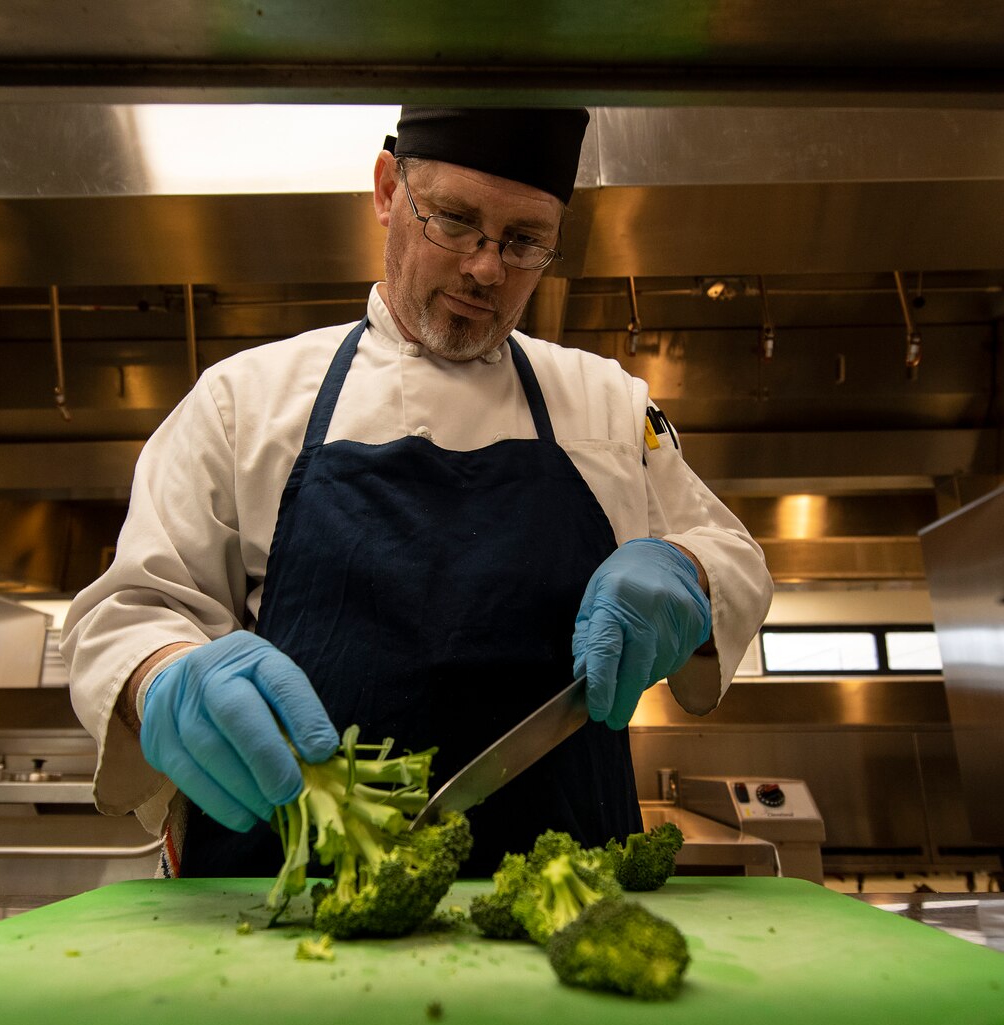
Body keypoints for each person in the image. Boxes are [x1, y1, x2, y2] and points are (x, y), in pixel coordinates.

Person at [63, 106, 772, 877]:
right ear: (384, 190)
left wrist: (687, 576)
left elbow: (731, 556)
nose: (486, 268)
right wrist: (161, 675)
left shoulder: (606, 405)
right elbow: (129, 611)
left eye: (525, 240)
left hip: (561, 905)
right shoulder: (243, 402)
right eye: (455, 221)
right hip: (285, 909)